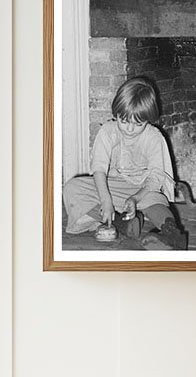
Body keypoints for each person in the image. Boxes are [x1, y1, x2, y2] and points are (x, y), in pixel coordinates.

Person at [63, 77, 187, 250]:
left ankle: (172, 234)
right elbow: (98, 168)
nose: (129, 129)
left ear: (148, 119)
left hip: (144, 189)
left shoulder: (154, 137)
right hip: (114, 187)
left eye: (138, 124)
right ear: (116, 114)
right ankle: (123, 223)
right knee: (72, 188)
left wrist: (136, 198)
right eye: (124, 121)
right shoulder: (107, 131)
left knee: (156, 200)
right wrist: (106, 200)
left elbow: (156, 177)